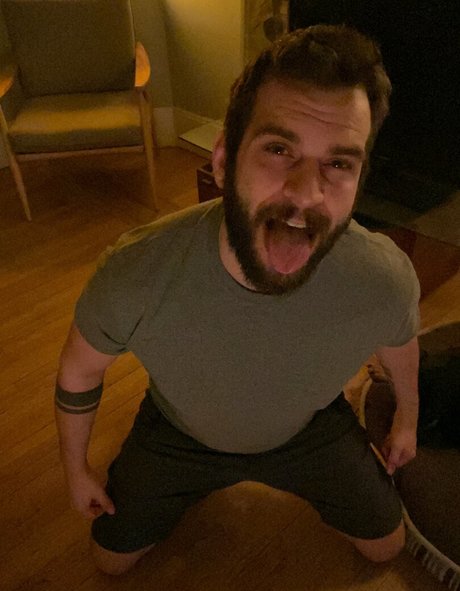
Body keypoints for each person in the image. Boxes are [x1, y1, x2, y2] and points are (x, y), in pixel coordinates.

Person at [55, 24, 420, 576]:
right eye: (279, 149)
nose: (306, 193)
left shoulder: (382, 277)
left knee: (386, 547)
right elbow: (79, 372)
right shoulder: (135, 272)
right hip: (179, 433)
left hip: (308, 431)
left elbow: (400, 346)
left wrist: (407, 422)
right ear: (224, 160)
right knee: (110, 560)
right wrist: (75, 468)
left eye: (338, 163)